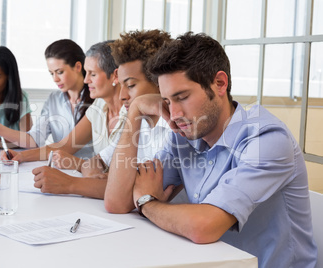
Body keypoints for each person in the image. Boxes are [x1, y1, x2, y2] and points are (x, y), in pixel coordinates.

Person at [104, 32, 317, 267]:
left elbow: (202, 227)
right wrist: (134, 112)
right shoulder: (184, 136)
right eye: (166, 102)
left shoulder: (266, 139)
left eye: (182, 97)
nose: (173, 115)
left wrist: (147, 203)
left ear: (220, 83)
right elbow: (117, 203)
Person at [32, 30, 176, 200]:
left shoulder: (174, 130)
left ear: (160, 82)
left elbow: (126, 194)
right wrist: (95, 172)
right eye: (121, 85)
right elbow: (99, 161)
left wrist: (68, 183)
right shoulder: (140, 121)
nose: (122, 95)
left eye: (130, 85)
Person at [5, 40, 124, 164]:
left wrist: (76, 167)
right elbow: (66, 145)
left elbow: (109, 167)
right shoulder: (98, 106)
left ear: (115, 75)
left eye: (92, 74)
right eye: (52, 73)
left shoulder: (125, 109)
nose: (86, 80)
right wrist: (21, 155)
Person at [0, 39, 95, 159]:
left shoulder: (97, 100)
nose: (55, 79)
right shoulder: (54, 99)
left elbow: (66, 147)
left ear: (78, 66)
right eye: (51, 73)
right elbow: (34, 140)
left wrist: (22, 155)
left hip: (89, 171)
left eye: (59, 72)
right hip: (61, 170)